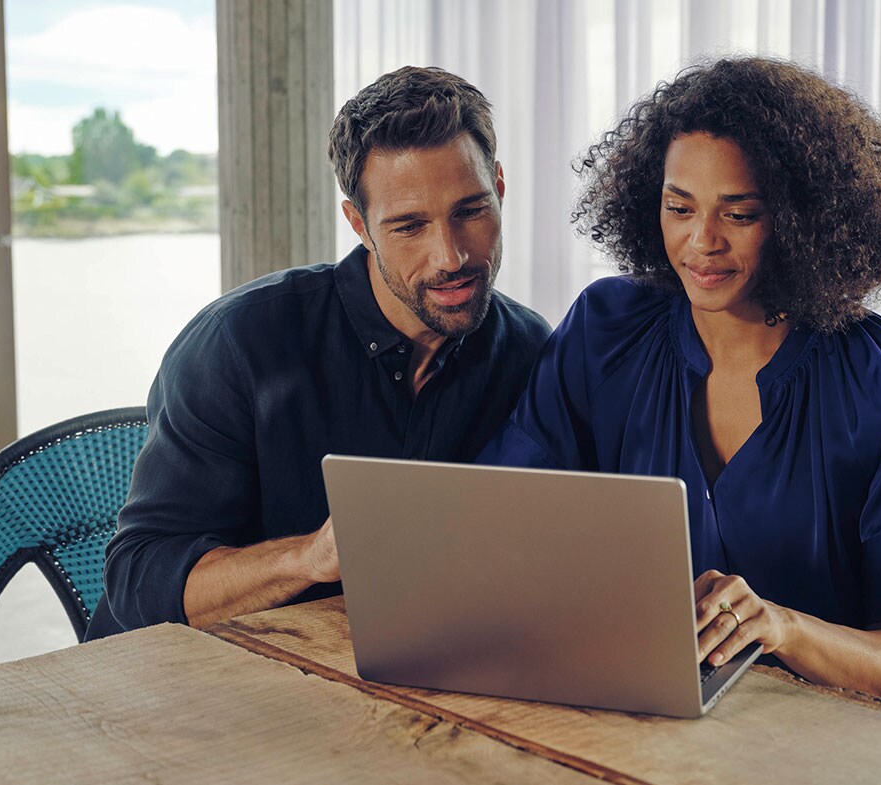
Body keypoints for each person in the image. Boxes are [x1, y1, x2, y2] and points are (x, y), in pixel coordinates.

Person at [479, 57, 881, 711]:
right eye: (679, 207)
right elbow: (504, 517)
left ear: (799, 219)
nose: (702, 241)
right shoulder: (605, 330)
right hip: (659, 710)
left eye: (740, 213)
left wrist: (780, 624)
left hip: (846, 728)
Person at [86, 66, 551, 640]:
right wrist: (310, 558)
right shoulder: (239, 342)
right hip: (182, 686)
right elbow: (138, 581)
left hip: (390, 671)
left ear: (499, 190)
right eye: (409, 226)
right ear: (359, 224)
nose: (450, 256)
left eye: (470, 211)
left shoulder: (532, 351)